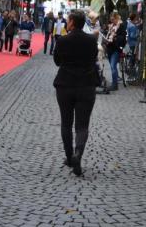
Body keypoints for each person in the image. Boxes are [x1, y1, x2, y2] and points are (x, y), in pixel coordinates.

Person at [52, 9, 99, 176]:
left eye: (68, 20)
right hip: (86, 85)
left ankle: (69, 156)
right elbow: (94, 59)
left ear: (72, 22)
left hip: (65, 84)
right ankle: (78, 153)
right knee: (82, 125)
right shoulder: (91, 40)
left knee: (66, 123)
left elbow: (57, 61)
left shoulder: (62, 40)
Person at [103, 12, 127, 92]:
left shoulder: (121, 26)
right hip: (110, 48)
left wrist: (115, 37)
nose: (112, 21)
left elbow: (123, 38)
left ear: (117, 18)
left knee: (113, 67)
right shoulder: (111, 26)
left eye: (113, 19)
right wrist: (106, 39)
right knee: (112, 67)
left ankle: (114, 84)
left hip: (116, 49)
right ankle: (114, 82)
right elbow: (108, 35)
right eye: (111, 19)